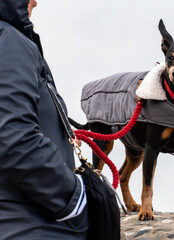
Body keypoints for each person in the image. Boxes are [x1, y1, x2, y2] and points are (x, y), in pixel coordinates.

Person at [0, 0, 88, 239]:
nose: (34, 3)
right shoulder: (9, 41)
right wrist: (75, 198)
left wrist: (59, 137)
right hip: (31, 225)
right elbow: (13, 139)